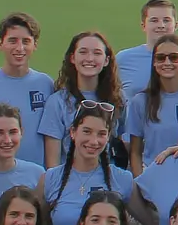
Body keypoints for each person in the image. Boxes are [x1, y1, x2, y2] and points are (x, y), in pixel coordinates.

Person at [0, 13, 56, 165]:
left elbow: (51, 138)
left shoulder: (45, 84)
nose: (19, 48)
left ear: (35, 45)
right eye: (12, 41)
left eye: (26, 41)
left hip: (36, 180)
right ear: (1, 44)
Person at [124, 33, 178, 174]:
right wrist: (140, 182)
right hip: (153, 177)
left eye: (174, 57)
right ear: (154, 62)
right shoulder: (141, 101)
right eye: (161, 58)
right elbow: (135, 152)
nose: (167, 63)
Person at [38, 30, 122, 167]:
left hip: (108, 182)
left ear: (106, 60)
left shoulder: (117, 99)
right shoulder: (57, 102)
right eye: (83, 52)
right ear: (72, 58)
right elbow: (52, 164)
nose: (89, 58)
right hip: (70, 183)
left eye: (97, 53)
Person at [115, 0, 178, 101]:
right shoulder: (123, 59)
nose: (161, 25)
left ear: (176, 25)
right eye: (154, 20)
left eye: (166, 20)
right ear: (143, 26)